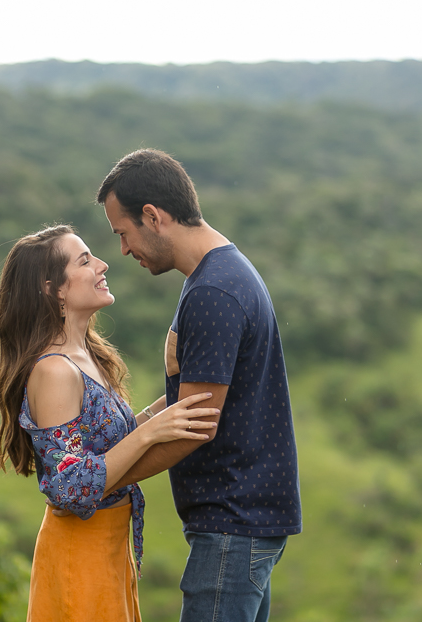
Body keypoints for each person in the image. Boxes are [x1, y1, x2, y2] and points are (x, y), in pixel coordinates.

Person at [96, 149, 302, 622]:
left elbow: (194, 425)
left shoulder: (213, 291)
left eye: (123, 234)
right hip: (245, 521)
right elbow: (190, 401)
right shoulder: (221, 272)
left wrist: (102, 480)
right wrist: (132, 431)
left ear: (153, 216)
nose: (124, 250)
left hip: (232, 522)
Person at [0, 224, 221, 622]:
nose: (102, 263)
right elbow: (69, 488)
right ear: (53, 289)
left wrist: (190, 391)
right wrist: (150, 432)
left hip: (110, 547)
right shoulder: (54, 371)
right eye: (84, 260)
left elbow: (109, 443)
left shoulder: (86, 353)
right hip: (81, 553)